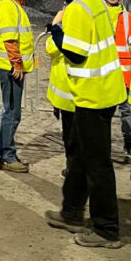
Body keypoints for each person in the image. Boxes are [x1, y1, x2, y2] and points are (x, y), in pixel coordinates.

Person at [45, 0, 125, 249]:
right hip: (102, 91)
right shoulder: (94, 1)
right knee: (78, 154)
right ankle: (72, 212)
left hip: (94, 97)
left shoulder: (78, 8)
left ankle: (106, 229)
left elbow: (76, 53)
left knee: (97, 164)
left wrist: (56, 34)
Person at [0, 0, 35, 172]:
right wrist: (16, 63)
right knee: (12, 112)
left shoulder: (14, 4)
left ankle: (7, 153)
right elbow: (10, 38)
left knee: (12, 111)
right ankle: (7, 156)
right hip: (10, 68)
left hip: (12, 67)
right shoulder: (8, 5)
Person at [99, 0, 131, 161]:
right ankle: (103, 150)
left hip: (124, 77)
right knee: (103, 115)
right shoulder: (98, 16)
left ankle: (129, 148)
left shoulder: (128, 19)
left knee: (127, 114)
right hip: (104, 75)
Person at [46, 30, 74, 162]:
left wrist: (56, 28)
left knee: (71, 135)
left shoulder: (68, 34)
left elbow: (51, 48)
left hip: (68, 93)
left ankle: (73, 168)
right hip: (81, 94)